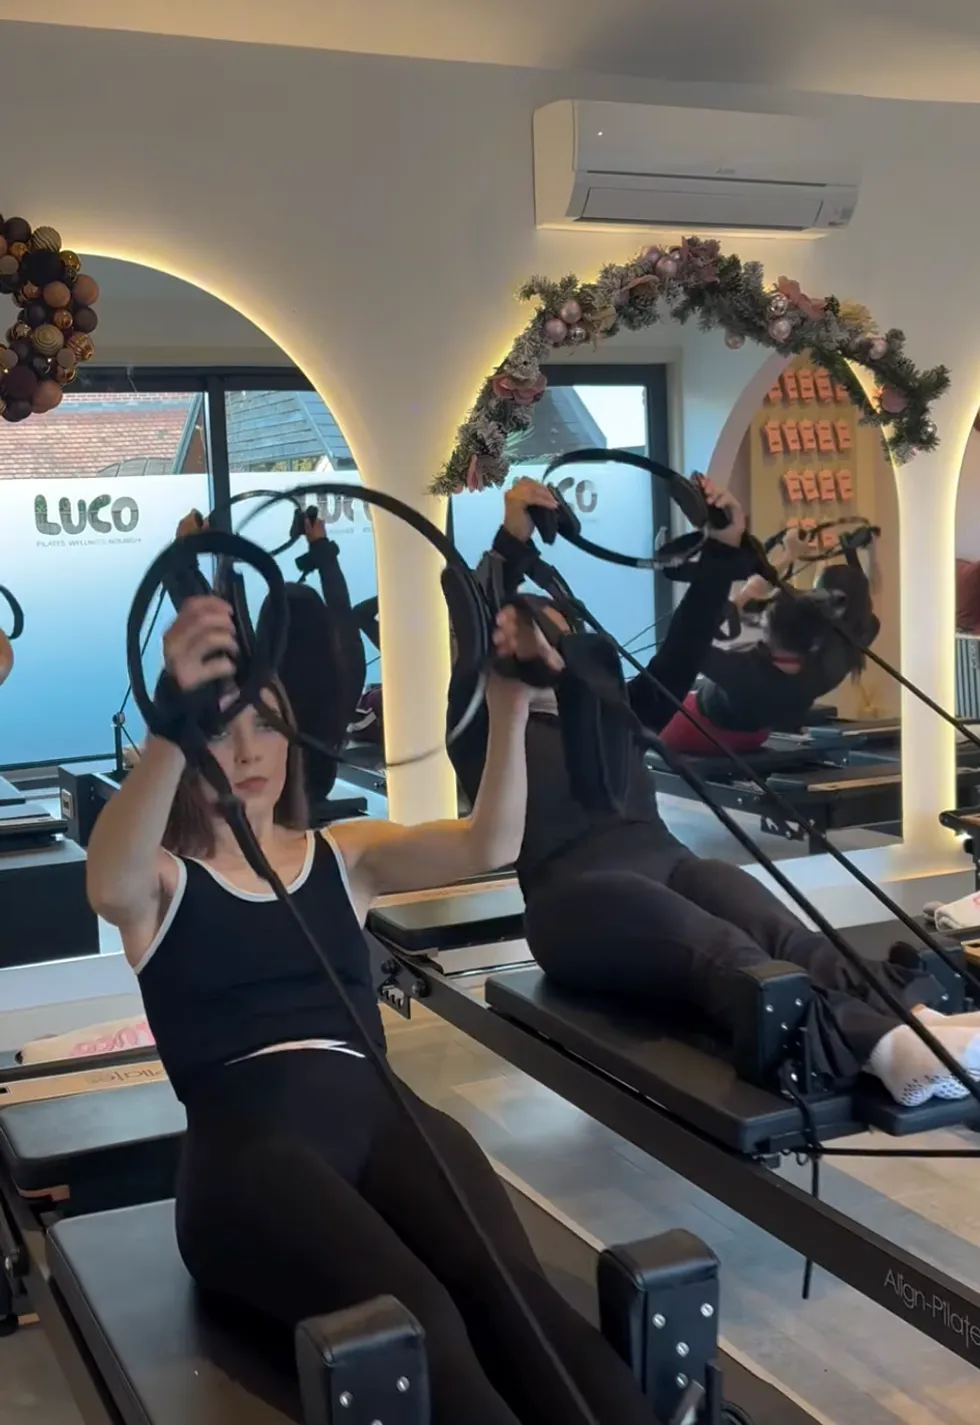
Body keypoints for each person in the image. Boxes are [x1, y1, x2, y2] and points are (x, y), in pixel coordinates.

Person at [85, 591, 661, 1425]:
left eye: (266, 724)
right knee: (417, 1320)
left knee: (514, 1295)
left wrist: (506, 706)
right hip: (251, 1156)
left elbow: (489, 843)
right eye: (218, 729)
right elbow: (108, 880)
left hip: (384, 1114)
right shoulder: (165, 882)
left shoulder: (342, 855)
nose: (247, 750)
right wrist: (170, 728)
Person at [448, 478, 980, 1110]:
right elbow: (473, 617)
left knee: (782, 931)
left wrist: (724, 547)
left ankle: (917, 1019)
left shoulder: (616, 712)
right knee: (725, 951)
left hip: (670, 865)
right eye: (528, 638)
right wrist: (510, 542)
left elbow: (686, 643)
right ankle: (887, 1049)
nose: (548, 649)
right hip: (572, 900)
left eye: (559, 638)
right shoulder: (483, 725)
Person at [659, 537, 881, 756]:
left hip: (701, 729)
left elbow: (682, 641)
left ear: (770, 632)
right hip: (755, 735)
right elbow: (858, 614)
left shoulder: (744, 669)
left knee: (649, 704)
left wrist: (744, 594)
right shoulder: (835, 658)